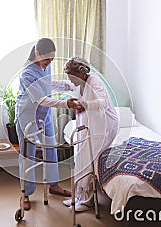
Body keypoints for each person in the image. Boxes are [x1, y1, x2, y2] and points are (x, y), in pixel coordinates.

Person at [15, 38, 81, 211]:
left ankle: (54, 185)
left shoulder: (47, 64)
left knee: (51, 148)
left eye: (52, 59)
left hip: (45, 115)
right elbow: (42, 99)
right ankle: (25, 194)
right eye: (46, 59)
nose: (49, 63)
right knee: (28, 154)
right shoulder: (27, 73)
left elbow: (47, 84)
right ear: (37, 53)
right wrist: (67, 104)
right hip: (28, 115)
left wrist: (65, 85)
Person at [62, 57, 119, 212]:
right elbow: (66, 87)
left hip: (105, 126)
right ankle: (79, 196)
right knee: (80, 155)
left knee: (88, 159)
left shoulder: (94, 81)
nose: (70, 80)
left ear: (81, 73)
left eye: (72, 76)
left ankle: (88, 201)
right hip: (91, 124)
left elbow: (103, 102)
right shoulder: (80, 83)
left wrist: (83, 104)